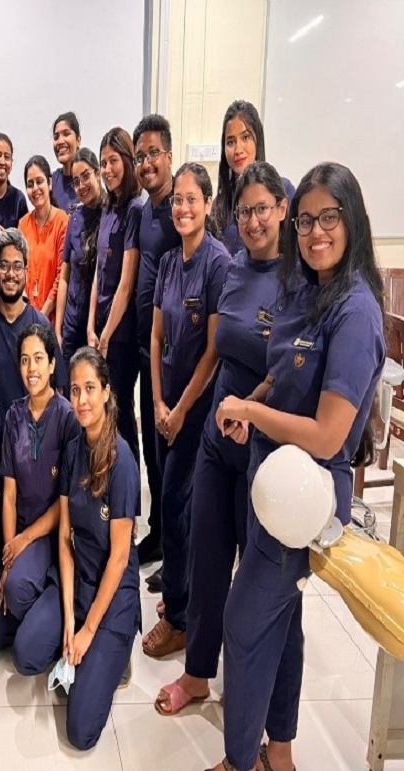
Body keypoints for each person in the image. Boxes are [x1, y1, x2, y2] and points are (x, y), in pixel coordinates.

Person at [209, 162, 385, 771]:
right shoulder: (305, 286)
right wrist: (251, 405)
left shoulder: (355, 313)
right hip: (271, 479)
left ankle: (240, 761)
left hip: (304, 500)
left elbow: (330, 434)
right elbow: (281, 373)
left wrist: (251, 414)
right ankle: (278, 753)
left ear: (352, 220)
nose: (315, 233)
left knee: (243, 622)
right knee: (281, 623)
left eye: (327, 218)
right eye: (306, 221)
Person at [155, 161, 288, 715]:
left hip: (262, 442)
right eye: (246, 210)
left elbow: (292, 369)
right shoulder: (233, 269)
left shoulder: (297, 281)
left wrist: (249, 408)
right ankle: (196, 675)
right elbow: (218, 346)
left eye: (263, 209)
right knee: (206, 558)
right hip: (218, 435)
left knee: (253, 578)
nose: (253, 221)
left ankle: (251, 696)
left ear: (282, 209)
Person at [142, 163, 229, 658]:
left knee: (178, 509)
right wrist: (157, 401)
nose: (182, 207)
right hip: (165, 404)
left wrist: (179, 411)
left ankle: (178, 619)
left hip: (196, 410)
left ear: (208, 204)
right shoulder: (170, 262)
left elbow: (213, 351)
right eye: (177, 199)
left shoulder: (218, 264)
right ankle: (180, 590)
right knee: (170, 503)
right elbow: (157, 336)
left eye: (192, 199)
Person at [0, 324, 79, 672]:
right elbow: (9, 495)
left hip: (53, 534)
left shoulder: (67, 418)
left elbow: (66, 503)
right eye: (24, 360)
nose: (31, 368)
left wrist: (24, 542)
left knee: (17, 596)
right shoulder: (14, 416)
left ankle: (55, 600)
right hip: (22, 528)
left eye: (39, 358)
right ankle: (36, 604)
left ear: (52, 364)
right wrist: (10, 557)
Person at [58, 347, 140, 750]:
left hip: (113, 590)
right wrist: (69, 618)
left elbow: (120, 557)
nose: (82, 400)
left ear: (107, 392)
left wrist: (88, 629)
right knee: (30, 652)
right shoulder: (74, 449)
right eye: (75, 390)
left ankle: (118, 649)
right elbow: (65, 537)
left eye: (90, 388)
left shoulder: (122, 462)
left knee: (81, 732)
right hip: (82, 580)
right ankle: (93, 652)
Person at [132, 115, 180, 567]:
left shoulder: (180, 208)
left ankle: (177, 551)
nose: (146, 163)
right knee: (153, 449)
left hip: (174, 355)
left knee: (174, 455)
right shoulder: (145, 210)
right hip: (148, 352)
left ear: (168, 154)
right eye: (140, 156)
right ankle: (160, 533)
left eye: (152, 154)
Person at [0, 229, 68, 430]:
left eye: (17, 266)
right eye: (4, 265)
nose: (10, 274)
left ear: (26, 271)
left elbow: (58, 389)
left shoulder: (41, 325)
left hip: (35, 440)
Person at [87, 127, 143, 465]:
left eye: (113, 161)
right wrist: (91, 326)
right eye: (103, 163)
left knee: (121, 413)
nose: (107, 169)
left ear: (127, 160)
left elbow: (126, 281)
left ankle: (129, 488)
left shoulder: (135, 209)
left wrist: (107, 333)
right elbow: (99, 271)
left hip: (121, 334)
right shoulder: (108, 206)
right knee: (104, 413)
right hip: (101, 329)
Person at [211, 100, 296, 255]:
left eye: (245, 138)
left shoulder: (284, 190)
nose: (238, 149)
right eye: (230, 142)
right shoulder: (220, 205)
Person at [55, 148, 105, 378]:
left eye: (86, 176)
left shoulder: (111, 215)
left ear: (98, 173)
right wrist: (59, 328)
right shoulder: (74, 218)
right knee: (68, 387)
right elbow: (64, 276)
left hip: (98, 328)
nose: (81, 185)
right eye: (76, 181)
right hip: (72, 325)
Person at [18, 155, 69, 318]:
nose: (35, 188)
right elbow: (20, 269)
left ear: (50, 183)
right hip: (25, 315)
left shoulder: (63, 221)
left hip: (52, 318)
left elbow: (62, 274)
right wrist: (28, 312)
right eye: (30, 184)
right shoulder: (23, 224)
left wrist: (42, 314)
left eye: (39, 181)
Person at [0, 132, 27, 230]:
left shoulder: (18, 199)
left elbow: (25, 236)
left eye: (7, 157)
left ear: (11, 163)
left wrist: (8, 237)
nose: (2, 162)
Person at [50, 111, 82, 213]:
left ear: (78, 140)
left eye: (66, 134)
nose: (60, 141)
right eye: (56, 137)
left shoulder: (88, 179)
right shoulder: (51, 182)